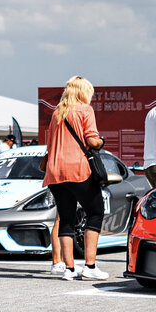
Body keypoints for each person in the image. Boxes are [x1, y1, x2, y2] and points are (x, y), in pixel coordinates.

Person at [42, 75, 107, 281]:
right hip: (77, 169)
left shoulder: (56, 113)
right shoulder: (85, 110)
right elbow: (91, 140)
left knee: (66, 218)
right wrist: (100, 142)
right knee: (95, 211)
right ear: (83, 91)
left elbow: (50, 145)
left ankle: (69, 268)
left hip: (55, 171)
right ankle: (90, 265)